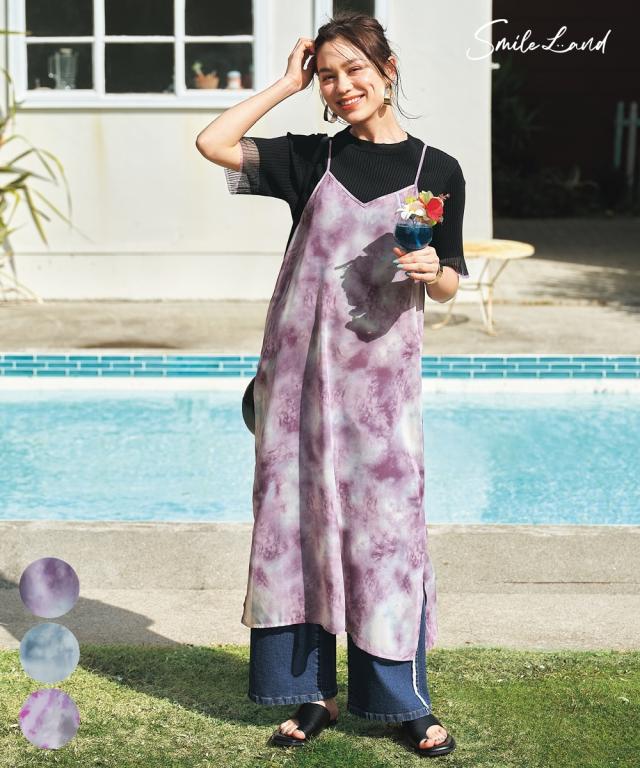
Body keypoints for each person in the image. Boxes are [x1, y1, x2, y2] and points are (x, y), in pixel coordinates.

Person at [195, 11, 468, 758]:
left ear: (387, 70)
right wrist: (284, 84)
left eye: (354, 70)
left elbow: (450, 277)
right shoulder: (309, 158)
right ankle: (312, 694)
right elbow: (213, 143)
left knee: (388, 534)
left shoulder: (437, 171)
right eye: (327, 76)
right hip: (297, 390)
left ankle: (402, 700)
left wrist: (432, 270)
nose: (342, 86)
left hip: (382, 395)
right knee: (296, 527)